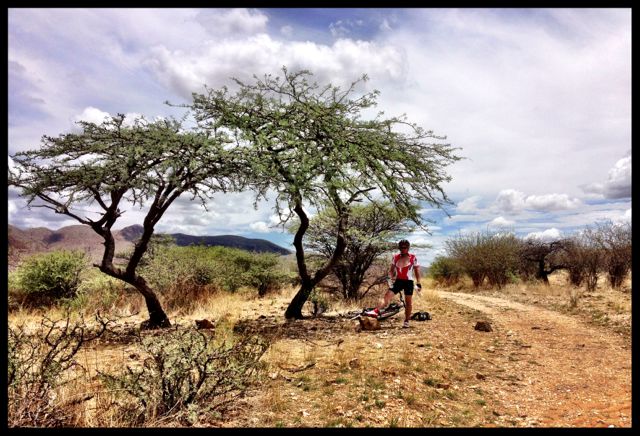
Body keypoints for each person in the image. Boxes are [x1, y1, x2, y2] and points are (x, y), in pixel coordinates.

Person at [365, 239, 422, 328]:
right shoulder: (395, 257)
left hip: (409, 282)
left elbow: (417, 270)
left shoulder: (413, 257)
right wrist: (389, 278)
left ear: (408, 248)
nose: (403, 249)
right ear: (399, 248)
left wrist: (418, 283)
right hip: (398, 281)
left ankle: (406, 320)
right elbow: (391, 270)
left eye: (405, 247)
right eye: (401, 247)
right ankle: (375, 311)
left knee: (408, 302)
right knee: (387, 296)